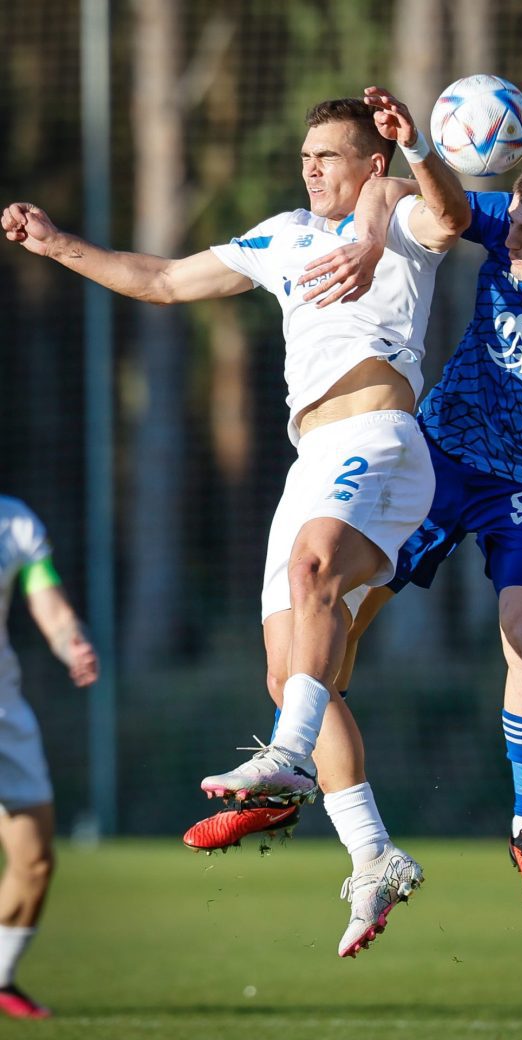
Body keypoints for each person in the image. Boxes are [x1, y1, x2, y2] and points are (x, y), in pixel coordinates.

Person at [3, 87, 470, 958]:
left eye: (329, 156)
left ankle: (286, 761)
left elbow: (450, 216)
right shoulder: (284, 234)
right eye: (306, 156)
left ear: (371, 161)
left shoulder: (399, 210)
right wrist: (56, 242)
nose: (311, 169)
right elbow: (163, 281)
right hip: (312, 461)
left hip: (378, 438)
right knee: (291, 675)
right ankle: (373, 853)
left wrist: (418, 152)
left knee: (313, 567)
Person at [241, 155, 522, 914]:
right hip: (440, 458)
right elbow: (392, 190)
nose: (511, 241)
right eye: (513, 224)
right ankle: (292, 770)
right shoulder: (505, 222)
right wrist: (398, 182)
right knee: (336, 623)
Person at [0, 495, 99, 1019]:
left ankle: (1, 978)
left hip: (5, 713)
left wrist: (70, 643)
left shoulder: (16, 523)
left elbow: (48, 601)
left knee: (35, 861)